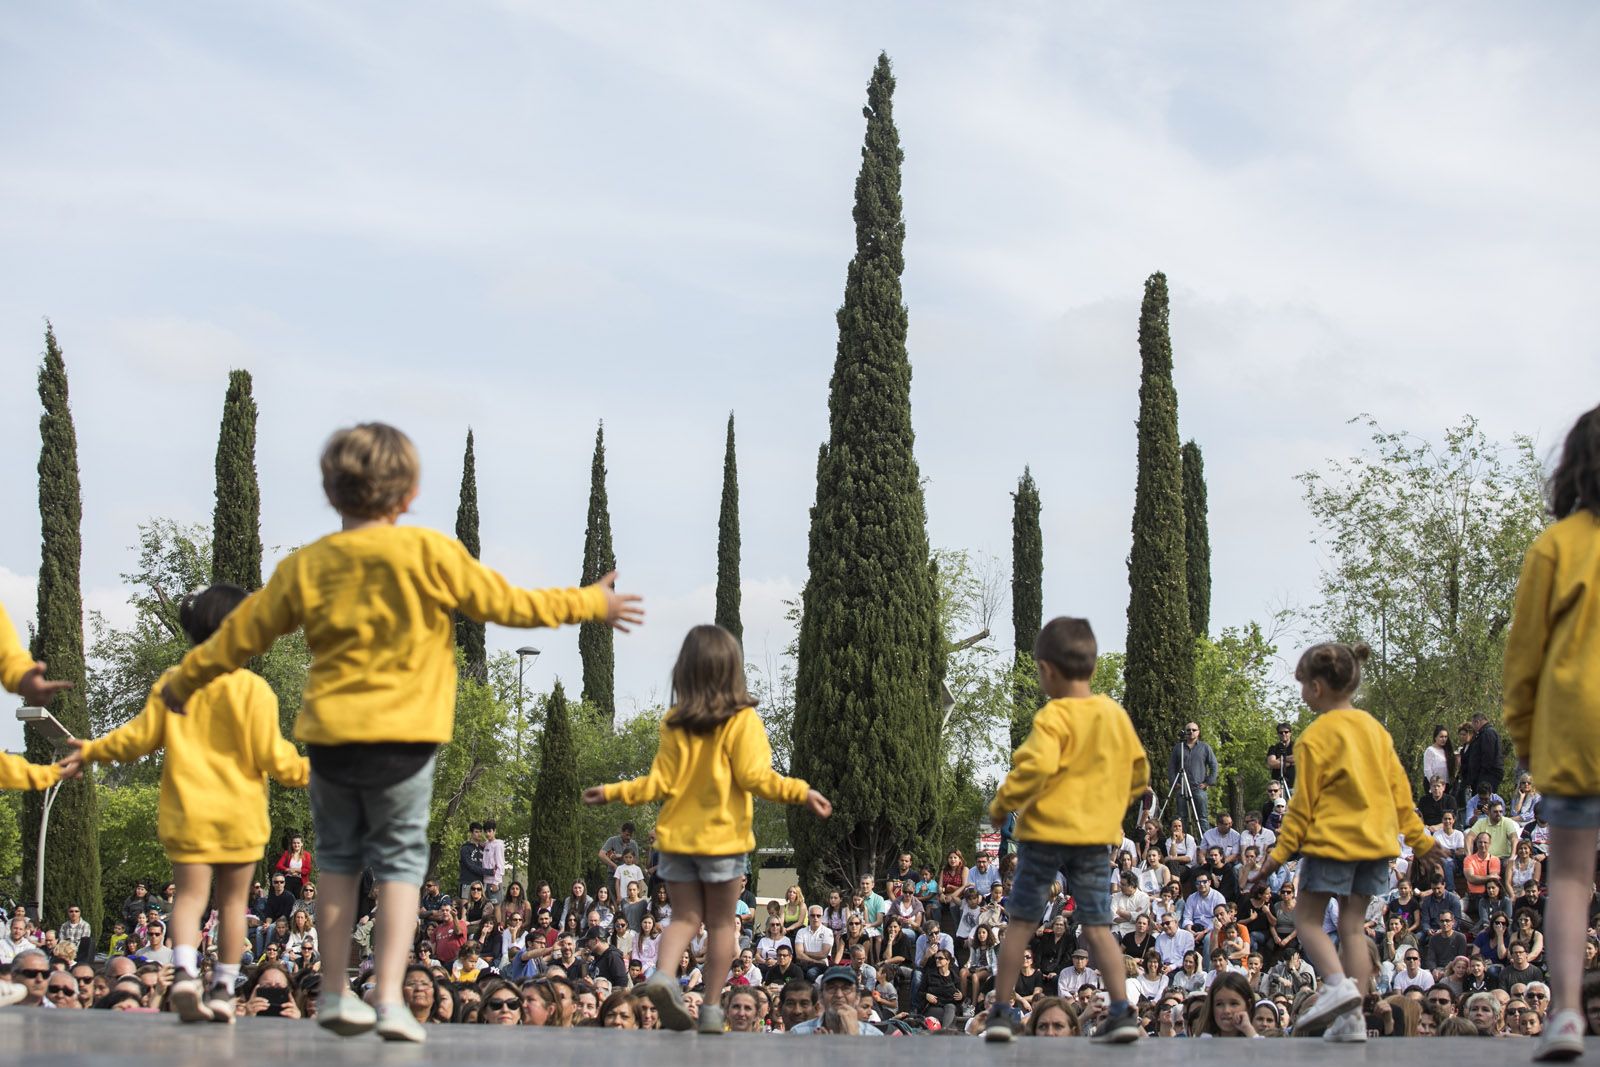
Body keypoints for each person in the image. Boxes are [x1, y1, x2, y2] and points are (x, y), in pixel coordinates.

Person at [158, 423, 642, 1043]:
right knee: (400, 866)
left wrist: (186, 677)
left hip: (332, 737)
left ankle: (334, 991)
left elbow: (240, 633)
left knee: (335, 862)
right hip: (407, 739)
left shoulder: (305, 565)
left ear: (332, 493)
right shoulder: (430, 552)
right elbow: (510, 604)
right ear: (409, 493)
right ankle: (387, 997)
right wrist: (587, 604)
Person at [59, 583, 309, 1023]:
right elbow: (278, 760)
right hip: (239, 815)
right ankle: (221, 988)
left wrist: (92, 749)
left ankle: (188, 974)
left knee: (190, 899)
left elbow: (136, 738)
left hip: (188, 812)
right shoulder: (253, 691)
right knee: (233, 905)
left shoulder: (175, 684)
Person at [584, 624, 830, 1035]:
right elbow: (757, 778)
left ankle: (663, 977)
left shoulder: (675, 722)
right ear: (732, 669)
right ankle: (713, 1008)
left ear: (686, 670)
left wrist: (612, 791)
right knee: (720, 925)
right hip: (724, 842)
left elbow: (658, 784)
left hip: (676, 840)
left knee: (683, 917)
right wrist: (801, 791)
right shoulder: (742, 720)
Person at [1248, 640, 1440, 1044]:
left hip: (1333, 841)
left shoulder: (1314, 738)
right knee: (1352, 927)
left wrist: (1278, 855)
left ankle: (1336, 985)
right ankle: (1353, 1016)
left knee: (1306, 920)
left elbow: (1301, 807)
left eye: (1302, 685)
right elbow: (1399, 788)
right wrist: (1419, 839)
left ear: (1318, 687)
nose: (1301, 693)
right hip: (1376, 843)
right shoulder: (1375, 730)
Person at [983, 616, 1149, 1043]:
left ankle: (1000, 1015)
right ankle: (1122, 1013)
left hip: (1044, 836)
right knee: (1097, 927)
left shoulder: (1053, 716)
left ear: (1047, 670)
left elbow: (1031, 768)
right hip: (1094, 838)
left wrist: (1001, 806)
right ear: (1092, 667)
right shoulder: (1112, 714)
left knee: (1020, 923)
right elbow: (1139, 772)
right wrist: (1117, 803)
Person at [1503, 405, 1600, 1059]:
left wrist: (1525, 739)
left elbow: (1525, 656)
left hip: (1575, 731)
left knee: (1568, 876)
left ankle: (1565, 1012)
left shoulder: (1557, 545)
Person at [1168, 722, 1219, 830]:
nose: (1191, 732)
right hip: (1182, 788)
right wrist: (1174, 782)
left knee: (1203, 818)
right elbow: (1171, 767)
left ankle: (1205, 843)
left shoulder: (1205, 747)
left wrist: (1208, 782)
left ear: (1198, 732)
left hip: (1198, 788)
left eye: (1194, 730)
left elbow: (1214, 765)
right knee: (1182, 818)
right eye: (1188, 730)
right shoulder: (1178, 747)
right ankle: (1184, 843)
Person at [1267, 723, 1296, 792]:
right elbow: (1272, 763)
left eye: (1286, 732)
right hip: (1278, 788)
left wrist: (1281, 759)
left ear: (1290, 733)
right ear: (1278, 734)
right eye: (1281, 732)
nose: (1283, 734)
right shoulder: (1274, 748)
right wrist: (1291, 763)